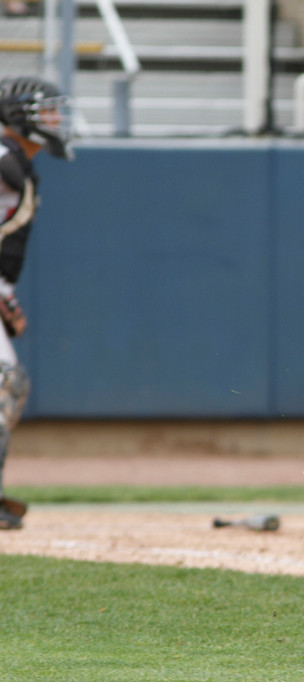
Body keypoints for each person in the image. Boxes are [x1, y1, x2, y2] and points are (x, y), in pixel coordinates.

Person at [0, 76, 73, 530]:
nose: (56, 121)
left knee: (10, 383)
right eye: (47, 112)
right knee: (5, 381)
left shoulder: (16, 164)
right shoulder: (4, 159)